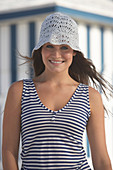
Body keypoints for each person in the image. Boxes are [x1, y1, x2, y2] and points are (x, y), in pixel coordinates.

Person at [2, 12, 112, 170]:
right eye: (49, 46)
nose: (56, 54)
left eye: (64, 47)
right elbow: (8, 152)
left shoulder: (90, 96)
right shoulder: (19, 91)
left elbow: (101, 159)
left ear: (74, 51)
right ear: (41, 49)